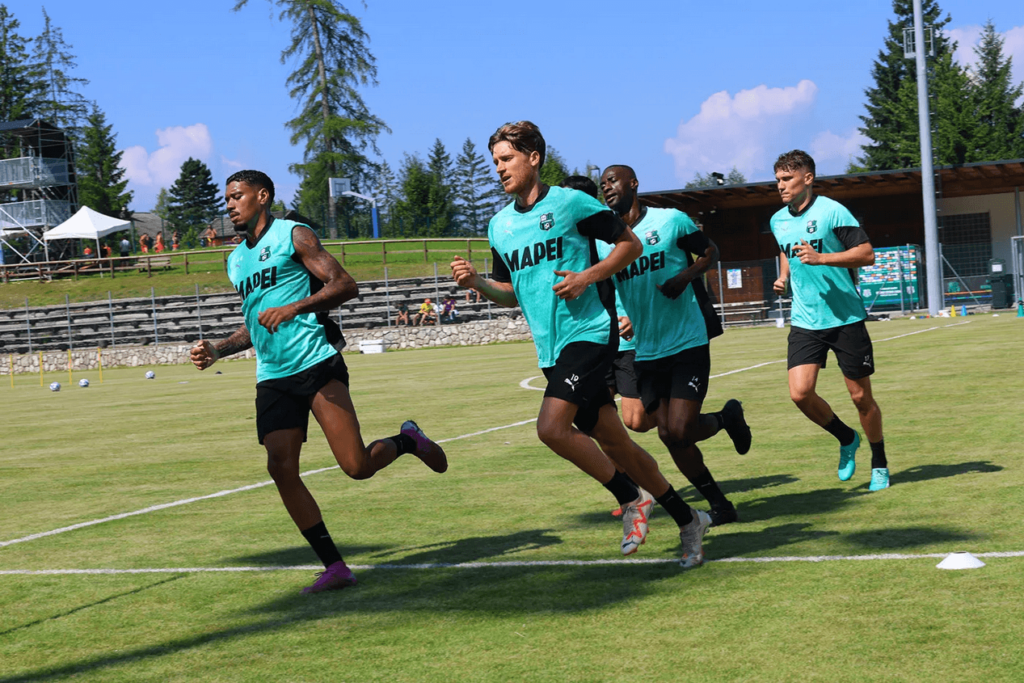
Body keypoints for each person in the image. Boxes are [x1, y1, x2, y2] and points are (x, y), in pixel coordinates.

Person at [451, 121, 712, 568]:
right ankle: (690, 520)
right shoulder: (499, 226)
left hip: (589, 333)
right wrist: (477, 283)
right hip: (550, 350)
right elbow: (511, 293)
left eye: (507, 158)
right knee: (618, 445)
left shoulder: (571, 203)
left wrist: (587, 277)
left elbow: (628, 245)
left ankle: (631, 497)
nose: (500, 168)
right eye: (495, 161)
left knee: (551, 428)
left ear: (534, 158)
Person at [190, 170, 448, 594]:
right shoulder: (235, 261)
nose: (230, 205)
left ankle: (408, 440)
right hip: (272, 375)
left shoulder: (294, 235)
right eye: (228, 199)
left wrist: (295, 307)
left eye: (237, 196)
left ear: (262, 196)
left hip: (315, 363)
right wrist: (218, 349)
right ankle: (335, 566)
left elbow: (345, 285)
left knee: (356, 467)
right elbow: (256, 323)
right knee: (280, 467)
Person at [599, 165, 751, 527]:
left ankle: (724, 438)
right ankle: (721, 497)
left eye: (613, 180)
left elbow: (710, 252)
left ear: (634, 183)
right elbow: (609, 289)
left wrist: (685, 277)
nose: (607, 187)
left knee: (679, 430)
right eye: (602, 184)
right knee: (668, 434)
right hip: (646, 351)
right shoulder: (608, 243)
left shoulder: (670, 221)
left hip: (687, 342)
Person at [770, 150, 889, 491]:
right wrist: (784, 277)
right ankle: (846, 437)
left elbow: (866, 254)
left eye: (787, 179)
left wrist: (822, 258)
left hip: (845, 318)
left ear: (808, 178)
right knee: (800, 394)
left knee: (860, 398)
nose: (781, 186)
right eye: (778, 180)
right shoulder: (777, 220)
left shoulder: (833, 211)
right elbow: (786, 249)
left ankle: (879, 462)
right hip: (805, 319)